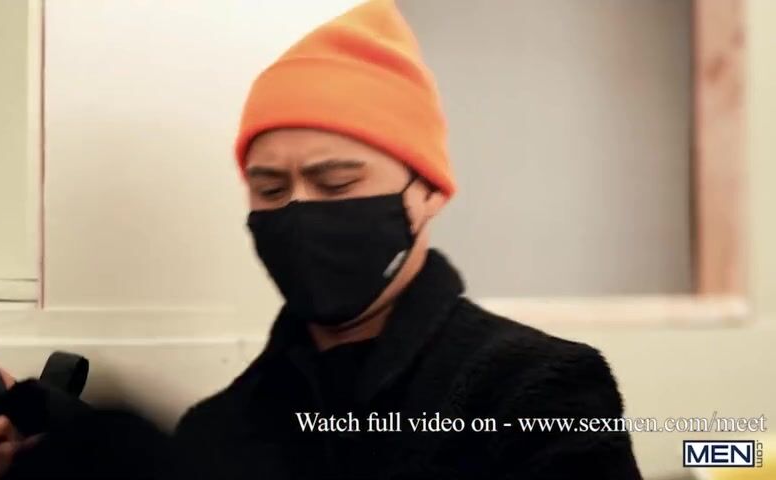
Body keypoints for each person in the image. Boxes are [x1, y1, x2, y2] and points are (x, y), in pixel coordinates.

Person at [172, 1, 642, 479]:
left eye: (336, 184)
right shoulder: (213, 431)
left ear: (429, 192)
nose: (299, 211)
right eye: (271, 190)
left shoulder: (537, 390)